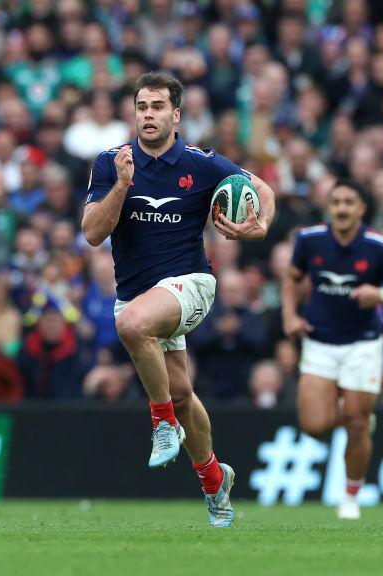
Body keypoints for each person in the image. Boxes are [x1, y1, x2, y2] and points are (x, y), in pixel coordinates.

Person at [81, 71, 276, 527]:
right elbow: (92, 234)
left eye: (157, 107)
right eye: (141, 107)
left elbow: (263, 190)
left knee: (131, 326)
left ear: (176, 114)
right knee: (183, 393)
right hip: (137, 293)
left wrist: (260, 224)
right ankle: (214, 480)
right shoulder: (112, 163)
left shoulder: (202, 163)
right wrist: (122, 185)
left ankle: (161, 423)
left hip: (191, 283)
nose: (148, 115)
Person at [281, 179, 383, 520]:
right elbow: (291, 278)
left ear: (361, 209)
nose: (341, 208)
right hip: (320, 342)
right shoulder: (310, 240)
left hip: (362, 343)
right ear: (329, 207)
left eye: (348, 202)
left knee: (357, 424)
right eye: (336, 202)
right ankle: (353, 409)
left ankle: (350, 495)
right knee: (314, 425)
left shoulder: (380, 246)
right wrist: (290, 315)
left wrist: (380, 295)